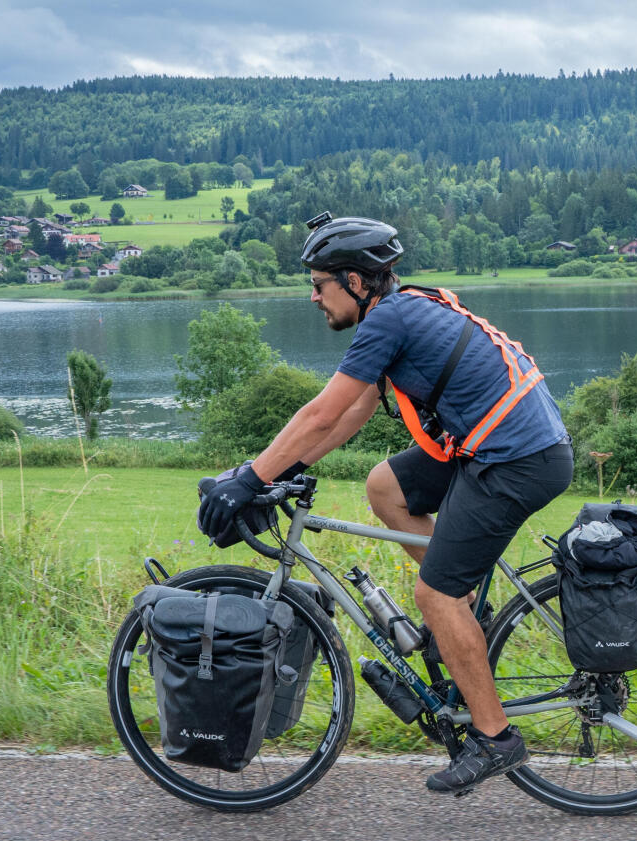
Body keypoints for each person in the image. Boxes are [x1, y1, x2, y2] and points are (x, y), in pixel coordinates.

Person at [195, 213, 573, 795]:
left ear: (353, 280)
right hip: (501, 446)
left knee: (433, 594)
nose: (313, 297)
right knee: (384, 486)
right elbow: (350, 414)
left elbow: (320, 411)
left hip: (516, 458)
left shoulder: (389, 321)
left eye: (319, 284)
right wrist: (278, 471)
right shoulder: (402, 311)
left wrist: (247, 479)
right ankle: (465, 618)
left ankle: (496, 739)